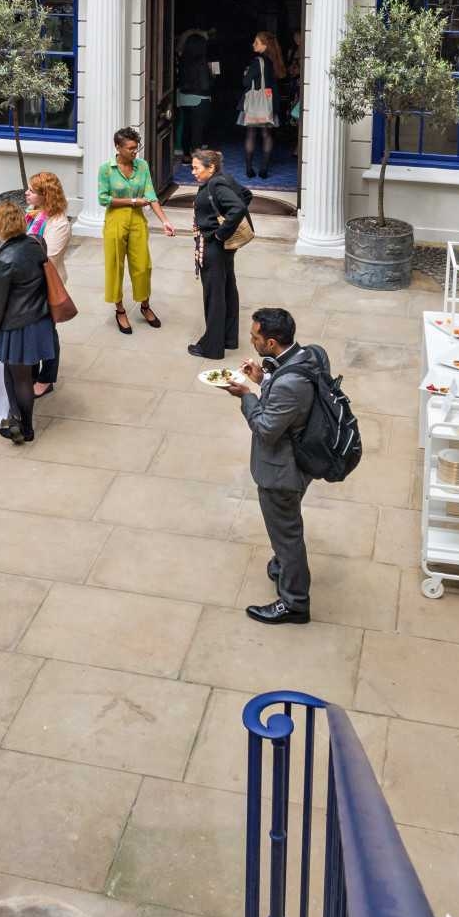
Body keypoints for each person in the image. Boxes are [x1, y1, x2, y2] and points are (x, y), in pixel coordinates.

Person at [223, 308, 317, 625]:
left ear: (273, 343)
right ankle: (282, 566)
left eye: (255, 338)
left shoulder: (289, 384)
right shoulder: (306, 357)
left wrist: (246, 395)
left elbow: (265, 428)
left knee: (287, 537)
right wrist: (263, 379)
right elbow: (287, 401)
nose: (251, 341)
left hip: (282, 472)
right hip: (301, 462)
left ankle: (294, 603)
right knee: (286, 527)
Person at [0, 200, 55, 446]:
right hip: (39, 319)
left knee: (20, 378)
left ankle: (25, 427)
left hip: (17, 326)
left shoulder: (3, 261)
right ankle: (17, 420)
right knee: (22, 375)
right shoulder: (35, 246)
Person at [97, 125, 175, 335]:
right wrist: (132, 200)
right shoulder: (106, 169)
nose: (134, 152)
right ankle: (120, 310)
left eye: (136, 148)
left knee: (142, 266)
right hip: (115, 220)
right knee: (115, 266)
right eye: (130, 148)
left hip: (138, 221)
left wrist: (164, 221)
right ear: (118, 147)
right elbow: (103, 199)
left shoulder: (142, 166)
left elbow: (150, 196)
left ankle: (145, 306)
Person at [187, 148, 250, 361]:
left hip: (214, 246)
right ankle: (229, 339)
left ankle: (212, 347)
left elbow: (238, 206)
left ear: (210, 167)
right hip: (224, 248)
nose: (193, 172)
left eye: (196, 168)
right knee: (227, 289)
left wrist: (221, 233)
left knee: (214, 296)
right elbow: (246, 195)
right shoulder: (224, 178)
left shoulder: (215, 184)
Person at [24, 170, 71, 397]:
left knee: (46, 331)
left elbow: (49, 258)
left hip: (46, 284)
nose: (27, 193)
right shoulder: (36, 215)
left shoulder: (59, 224)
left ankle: (46, 378)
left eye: (32, 191)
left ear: (46, 195)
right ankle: (30, 372)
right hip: (29, 283)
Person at [240, 31, 286, 180]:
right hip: (269, 103)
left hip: (255, 103)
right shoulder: (275, 60)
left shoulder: (257, 61)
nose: (253, 44)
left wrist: (246, 73)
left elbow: (246, 83)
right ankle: (264, 170)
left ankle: (249, 169)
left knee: (251, 134)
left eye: (257, 42)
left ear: (265, 45)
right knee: (267, 135)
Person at [176, 28, 214, 161]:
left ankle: (186, 156)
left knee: (186, 127)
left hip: (184, 98)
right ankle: (196, 159)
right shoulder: (202, 63)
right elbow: (205, 85)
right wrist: (212, 76)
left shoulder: (182, 61)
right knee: (197, 130)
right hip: (199, 99)